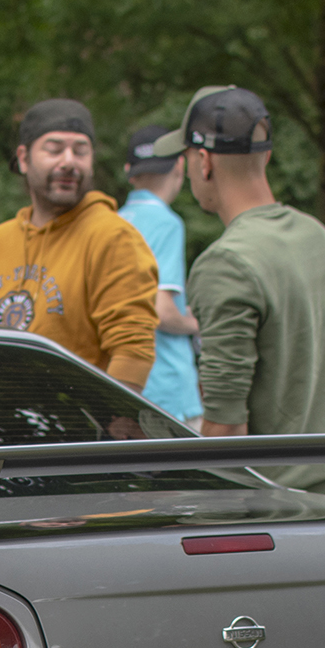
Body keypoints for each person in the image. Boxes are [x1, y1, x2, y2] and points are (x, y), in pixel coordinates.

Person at [151, 86, 325, 490]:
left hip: (272, 512)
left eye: (187, 157)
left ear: (204, 162)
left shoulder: (225, 264)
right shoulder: (319, 237)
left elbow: (226, 432)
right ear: (267, 155)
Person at [0, 98, 157, 393]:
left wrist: (111, 424)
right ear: (24, 158)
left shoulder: (112, 236)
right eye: (54, 150)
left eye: (80, 151)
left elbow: (133, 351)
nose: (68, 161)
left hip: (74, 430)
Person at [117, 125, 203, 428]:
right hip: (168, 388)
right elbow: (161, 311)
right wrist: (197, 323)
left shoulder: (112, 223)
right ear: (180, 164)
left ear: (129, 171)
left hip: (125, 382)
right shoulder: (167, 223)